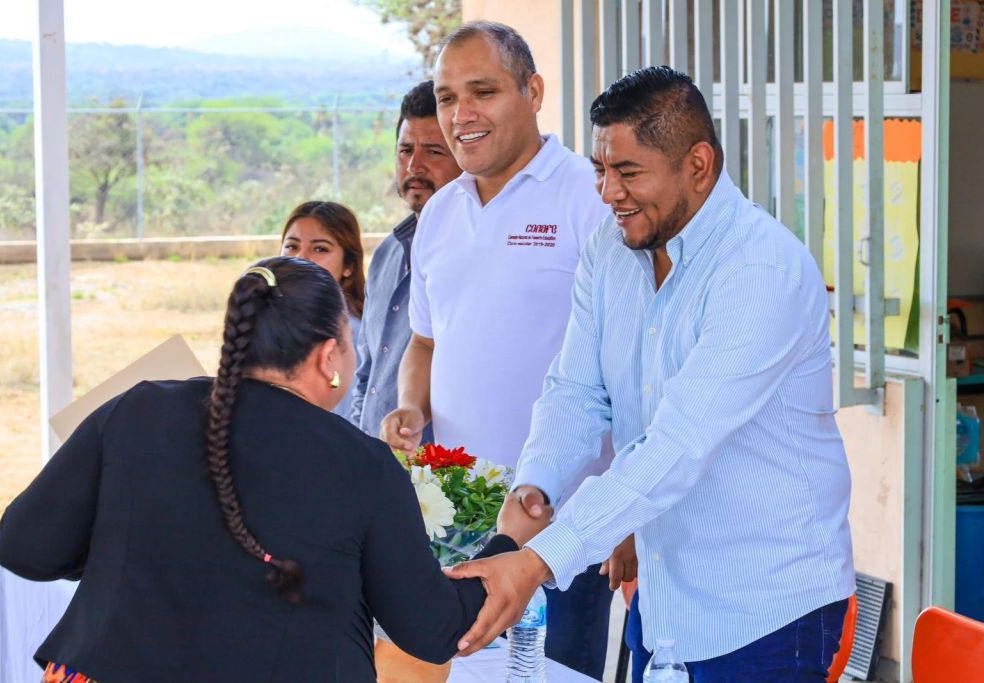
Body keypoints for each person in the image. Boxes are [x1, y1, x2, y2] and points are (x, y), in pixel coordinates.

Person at [446, 67, 856, 682]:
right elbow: (576, 391)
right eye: (600, 170)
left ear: (698, 164)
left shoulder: (760, 271)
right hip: (665, 598)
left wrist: (538, 562)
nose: (608, 192)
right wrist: (538, 485)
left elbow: (676, 446)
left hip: (765, 612)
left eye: (629, 173)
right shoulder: (612, 251)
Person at [0, 256, 549, 682]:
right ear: (329, 357)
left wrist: (137, 555)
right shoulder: (361, 464)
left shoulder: (137, 408)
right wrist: (509, 544)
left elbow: (23, 546)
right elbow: (435, 630)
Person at [379, 21, 615, 679]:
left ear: (533, 91)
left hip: (559, 524)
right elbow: (424, 342)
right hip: (453, 512)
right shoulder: (441, 212)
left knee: (549, 673)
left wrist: (624, 519)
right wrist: (408, 406)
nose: (461, 114)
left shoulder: (587, 198)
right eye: (448, 97)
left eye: (482, 91)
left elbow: (628, 368)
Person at [351, 80, 462, 439]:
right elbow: (366, 370)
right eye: (405, 150)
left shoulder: (474, 260)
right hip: (373, 465)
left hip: (441, 477)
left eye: (433, 151)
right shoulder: (386, 253)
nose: (415, 165)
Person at [280, 200, 365, 420]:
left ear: (349, 267)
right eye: (292, 246)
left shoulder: (354, 336)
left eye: (320, 249)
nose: (300, 258)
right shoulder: (264, 322)